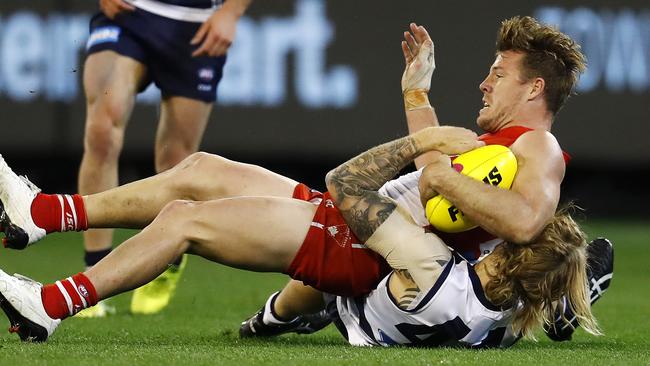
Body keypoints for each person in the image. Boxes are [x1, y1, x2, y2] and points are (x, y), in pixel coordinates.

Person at [0, 124, 599, 347]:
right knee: (203, 169)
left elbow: (349, 184)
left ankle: (50, 306)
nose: (488, 80)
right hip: (371, 253)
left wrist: (424, 148)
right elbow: (540, 257)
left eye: (499, 70)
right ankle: (43, 214)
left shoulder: (530, 165)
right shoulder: (504, 299)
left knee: (184, 218)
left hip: (360, 244)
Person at [239, 17, 613, 342]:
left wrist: (441, 177)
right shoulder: (496, 144)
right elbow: (434, 172)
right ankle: (560, 300)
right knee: (335, 253)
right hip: (437, 269)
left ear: (534, 88)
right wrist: (417, 94)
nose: (484, 84)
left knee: (332, 237)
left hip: (452, 275)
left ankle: (561, 296)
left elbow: (525, 221)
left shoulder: (537, 144)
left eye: (498, 75)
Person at [78, 0, 253, 316]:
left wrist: (231, 12)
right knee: (102, 130)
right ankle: (93, 270)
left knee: (177, 160)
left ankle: (168, 258)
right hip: (129, 12)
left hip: (195, 23)